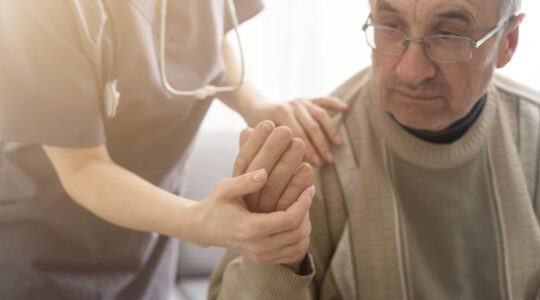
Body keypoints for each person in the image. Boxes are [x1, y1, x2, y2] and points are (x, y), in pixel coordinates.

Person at [0, 0, 347, 299]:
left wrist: (254, 104)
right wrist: (198, 221)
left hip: (147, 247)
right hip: (43, 252)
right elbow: (82, 168)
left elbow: (214, 34)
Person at [209, 0, 540, 299]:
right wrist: (274, 257)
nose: (411, 71)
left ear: (507, 42)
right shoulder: (313, 154)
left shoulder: (533, 137)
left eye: (449, 34)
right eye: (392, 27)